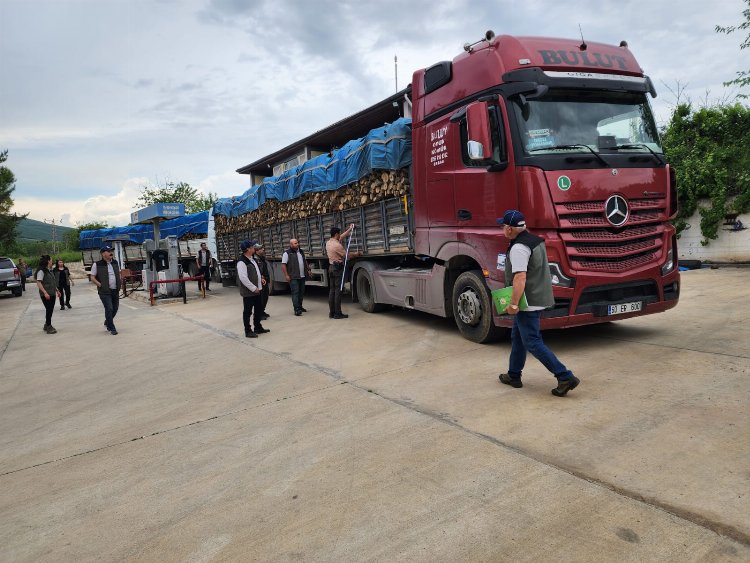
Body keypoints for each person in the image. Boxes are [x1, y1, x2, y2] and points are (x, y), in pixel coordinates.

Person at [496, 210, 580, 397]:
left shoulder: (518, 248)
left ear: (510, 229)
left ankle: (564, 376)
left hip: (528, 301)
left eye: (503, 226)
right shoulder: (535, 240)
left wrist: (514, 304)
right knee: (517, 337)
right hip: (539, 296)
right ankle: (514, 375)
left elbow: (520, 277)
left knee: (532, 342)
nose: (502, 229)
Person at [236, 239, 269, 338]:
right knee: (248, 311)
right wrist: (253, 288)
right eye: (252, 247)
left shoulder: (252, 259)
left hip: (257, 289)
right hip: (249, 292)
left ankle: (258, 327)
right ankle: (248, 330)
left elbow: (257, 272)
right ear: (247, 249)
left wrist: (261, 280)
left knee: (258, 309)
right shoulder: (242, 262)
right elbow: (243, 278)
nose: (254, 248)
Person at [325, 224, 359, 319]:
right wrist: (356, 254)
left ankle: (332, 313)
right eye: (339, 234)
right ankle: (338, 313)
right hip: (337, 269)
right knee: (338, 291)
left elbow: (341, 237)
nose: (340, 235)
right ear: (336, 234)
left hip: (331, 267)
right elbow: (347, 256)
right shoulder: (337, 245)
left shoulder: (329, 243)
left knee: (332, 291)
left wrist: (349, 230)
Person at [90, 245, 121, 335]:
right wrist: (100, 284)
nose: (111, 253)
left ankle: (107, 322)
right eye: (108, 251)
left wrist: (119, 282)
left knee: (115, 308)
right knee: (109, 308)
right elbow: (92, 277)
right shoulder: (97, 264)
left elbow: (117, 273)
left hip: (115, 290)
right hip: (104, 291)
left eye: (111, 251)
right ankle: (112, 328)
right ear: (103, 254)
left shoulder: (115, 262)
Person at [281, 238, 311, 316]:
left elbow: (305, 261)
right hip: (293, 277)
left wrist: (308, 270)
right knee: (295, 293)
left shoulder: (301, 252)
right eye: (295, 243)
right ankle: (297, 309)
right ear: (291, 245)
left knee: (301, 292)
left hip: (302, 276)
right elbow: (283, 265)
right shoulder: (287, 253)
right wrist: (286, 275)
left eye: (297, 243)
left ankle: (300, 307)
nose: (297, 244)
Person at [35, 255, 60, 334]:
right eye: (51, 260)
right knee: (49, 309)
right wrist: (45, 292)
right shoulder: (41, 271)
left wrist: (57, 290)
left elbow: (52, 282)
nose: (52, 261)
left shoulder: (49, 270)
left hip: (52, 293)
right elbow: (38, 282)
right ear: (48, 261)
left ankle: (46, 324)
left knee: (50, 309)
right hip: (46, 294)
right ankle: (49, 326)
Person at [254, 243, 270, 320]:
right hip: (260, 280)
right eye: (261, 249)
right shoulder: (255, 259)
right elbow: (256, 270)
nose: (263, 249)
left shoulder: (261, 258)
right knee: (261, 298)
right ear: (256, 251)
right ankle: (259, 314)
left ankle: (262, 311)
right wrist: (261, 276)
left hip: (265, 279)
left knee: (265, 296)